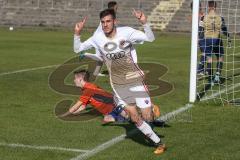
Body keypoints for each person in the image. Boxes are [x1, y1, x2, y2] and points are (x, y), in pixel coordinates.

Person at [73, 9, 165, 155]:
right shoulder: (97, 38)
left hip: (135, 80)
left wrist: (144, 22)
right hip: (118, 85)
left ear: (115, 21)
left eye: (108, 21)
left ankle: (152, 111)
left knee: (147, 116)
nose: (105, 25)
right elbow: (77, 48)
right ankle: (159, 143)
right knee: (134, 117)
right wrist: (77, 33)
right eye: (103, 22)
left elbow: (150, 38)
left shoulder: (127, 32)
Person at [60, 69, 128, 123]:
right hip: (115, 104)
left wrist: (64, 115)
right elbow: (82, 107)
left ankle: (125, 114)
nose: (74, 80)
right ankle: (125, 113)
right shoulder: (90, 87)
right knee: (107, 119)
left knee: (127, 118)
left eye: (75, 78)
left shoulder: (87, 90)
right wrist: (73, 114)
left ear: (80, 79)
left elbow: (76, 106)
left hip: (114, 106)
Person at [199, 1, 231, 84]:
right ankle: (217, 76)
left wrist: (200, 40)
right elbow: (224, 30)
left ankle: (210, 79)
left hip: (207, 39)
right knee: (220, 58)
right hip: (217, 40)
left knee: (209, 59)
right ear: (215, 7)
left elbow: (200, 30)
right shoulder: (220, 17)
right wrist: (228, 37)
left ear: (208, 7)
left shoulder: (204, 17)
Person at [190, 2, 206, 75]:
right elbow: (200, 27)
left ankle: (202, 69)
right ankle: (200, 69)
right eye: (200, 5)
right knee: (205, 52)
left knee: (204, 52)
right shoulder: (197, 15)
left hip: (200, 35)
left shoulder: (199, 15)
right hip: (200, 36)